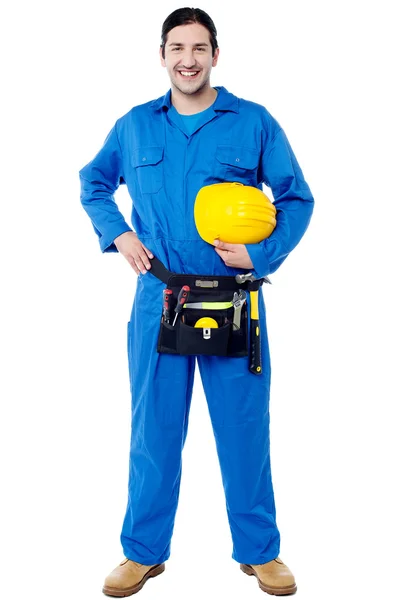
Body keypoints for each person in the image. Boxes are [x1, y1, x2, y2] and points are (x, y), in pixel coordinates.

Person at [79, 7, 314, 597]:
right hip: (159, 297)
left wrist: (259, 259)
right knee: (153, 432)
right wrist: (119, 234)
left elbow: (297, 199)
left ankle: (261, 552)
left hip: (233, 298)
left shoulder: (253, 122)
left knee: (243, 430)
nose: (188, 59)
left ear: (216, 55)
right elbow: (93, 181)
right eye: (177, 48)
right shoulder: (135, 126)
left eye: (199, 48)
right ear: (162, 55)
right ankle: (142, 553)